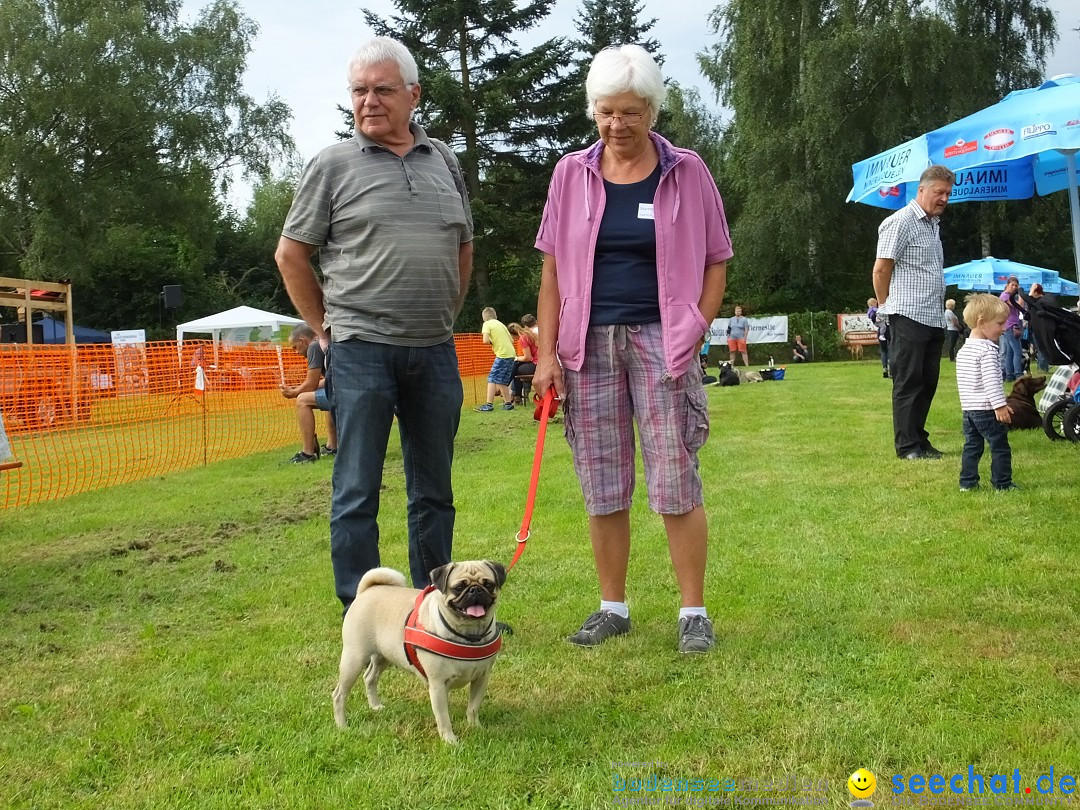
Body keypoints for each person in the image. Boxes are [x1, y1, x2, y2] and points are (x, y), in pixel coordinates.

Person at [532, 44, 732, 654]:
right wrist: (545, 357)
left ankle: (692, 612)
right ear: (594, 110)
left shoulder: (688, 170)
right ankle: (612, 607)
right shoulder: (571, 173)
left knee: (675, 481)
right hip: (585, 346)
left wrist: (695, 325)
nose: (617, 126)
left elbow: (717, 259)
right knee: (602, 483)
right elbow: (551, 275)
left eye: (630, 113)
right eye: (606, 112)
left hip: (661, 342)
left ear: (652, 110)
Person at [275, 36, 474, 613]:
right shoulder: (332, 165)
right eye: (358, 91)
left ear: (413, 94)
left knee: (433, 491)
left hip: (433, 350)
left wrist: (444, 313)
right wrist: (324, 331)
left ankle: (434, 608)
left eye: (382, 90)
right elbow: (291, 254)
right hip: (360, 349)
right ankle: (360, 613)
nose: (368, 102)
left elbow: (463, 247)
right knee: (356, 489)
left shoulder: (445, 162)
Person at [872, 164, 955, 459]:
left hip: (933, 316)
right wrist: (884, 308)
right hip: (907, 314)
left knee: (927, 382)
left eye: (947, 193)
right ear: (922, 190)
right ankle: (906, 446)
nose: (944, 198)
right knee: (908, 381)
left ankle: (920, 440)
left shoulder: (933, 224)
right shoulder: (901, 221)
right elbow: (881, 269)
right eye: (939, 192)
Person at [956, 294, 1017, 491]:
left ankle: (967, 483)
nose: (1004, 328)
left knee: (972, 447)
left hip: (969, 410)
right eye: (1000, 323)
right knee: (999, 446)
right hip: (986, 409)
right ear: (982, 322)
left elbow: (970, 383)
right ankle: (1003, 484)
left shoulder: (964, 350)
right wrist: (999, 406)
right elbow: (991, 383)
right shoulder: (987, 351)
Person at [281, 325, 338, 463]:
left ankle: (308, 453)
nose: (295, 352)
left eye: (295, 347)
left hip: (343, 393)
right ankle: (332, 447)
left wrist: (295, 392)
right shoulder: (326, 342)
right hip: (350, 388)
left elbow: (311, 384)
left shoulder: (313, 346)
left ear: (303, 341)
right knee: (328, 392)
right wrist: (300, 388)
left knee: (302, 400)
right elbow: (328, 381)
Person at [477, 307, 516, 411]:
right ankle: (508, 404)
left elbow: (485, 340)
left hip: (502, 354)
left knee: (492, 378)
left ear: (484, 318)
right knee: (501, 381)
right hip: (511, 354)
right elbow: (512, 340)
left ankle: (488, 404)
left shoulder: (487, 324)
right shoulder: (501, 324)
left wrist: (492, 342)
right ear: (495, 316)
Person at [998, 276, 1024, 381]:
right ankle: (1018, 373)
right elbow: (1019, 305)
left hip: (1010, 325)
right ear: (1007, 285)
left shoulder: (1007, 296)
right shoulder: (1005, 296)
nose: (1014, 287)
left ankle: (1009, 375)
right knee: (1017, 351)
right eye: (1012, 285)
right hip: (1011, 325)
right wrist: (1021, 294)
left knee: (1010, 352)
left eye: (1016, 285)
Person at [508, 321, 538, 404]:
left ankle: (508, 388)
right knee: (516, 366)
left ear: (513, 335)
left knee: (516, 368)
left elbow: (528, 357)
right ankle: (516, 395)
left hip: (536, 364)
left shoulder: (522, 338)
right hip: (539, 362)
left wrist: (516, 358)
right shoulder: (529, 334)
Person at [867, 297, 890, 378]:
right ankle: (891, 369)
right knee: (891, 350)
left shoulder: (876, 310)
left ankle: (884, 369)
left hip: (880, 331)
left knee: (884, 351)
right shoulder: (887, 309)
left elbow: (873, 319)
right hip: (889, 330)